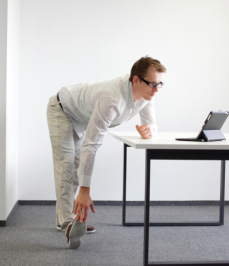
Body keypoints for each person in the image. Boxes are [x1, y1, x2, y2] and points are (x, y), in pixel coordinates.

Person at [46, 56, 166, 248]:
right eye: (152, 84)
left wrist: (149, 131)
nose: (156, 89)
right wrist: (85, 191)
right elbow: (92, 144)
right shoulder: (112, 98)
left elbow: (152, 124)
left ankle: (65, 217)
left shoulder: (146, 96)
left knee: (77, 166)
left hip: (82, 115)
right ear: (135, 80)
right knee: (67, 164)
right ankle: (67, 222)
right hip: (63, 109)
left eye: (160, 84)